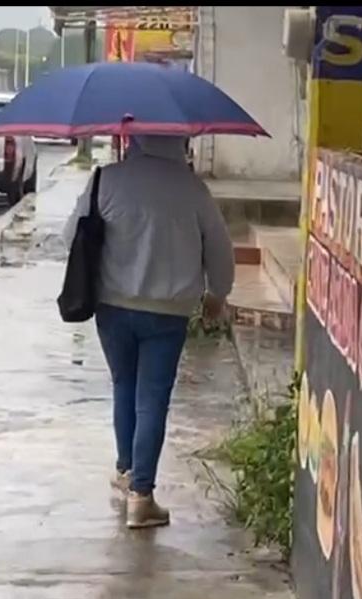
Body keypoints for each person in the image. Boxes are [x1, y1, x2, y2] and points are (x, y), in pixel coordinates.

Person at [63, 134, 235, 529]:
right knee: (152, 399)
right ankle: (142, 495)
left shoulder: (106, 179)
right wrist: (216, 295)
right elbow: (221, 249)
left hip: (112, 306)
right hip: (168, 312)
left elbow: (70, 236)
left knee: (124, 386)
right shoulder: (192, 188)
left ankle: (126, 471)